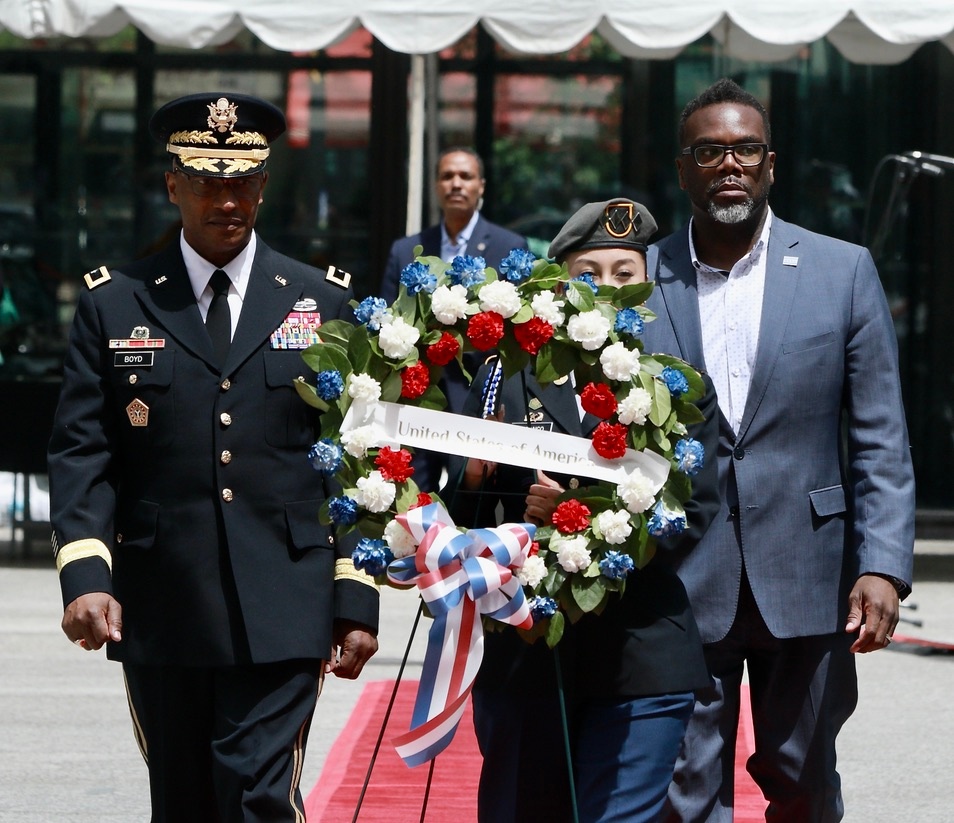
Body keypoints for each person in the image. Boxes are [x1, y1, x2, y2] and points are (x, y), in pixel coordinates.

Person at [48, 92, 380, 822]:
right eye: (207, 181)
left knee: (257, 796)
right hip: (163, 603)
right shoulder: (117, 303)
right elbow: (84, 450)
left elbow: (356, 456)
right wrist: (85, 573)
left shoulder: (322, 302)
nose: (226, 200)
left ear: (263, 185)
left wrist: (356, 590)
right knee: (184, 800)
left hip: (287, 601)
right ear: (173, 184)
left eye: (241, 184)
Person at [640, 78, 915, 821]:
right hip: (681, 578)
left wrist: (883, 564)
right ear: (683, 167)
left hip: (810, 571)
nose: (728, 163)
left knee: (803, 781)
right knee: (684, 790)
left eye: (745, 149)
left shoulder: (841, 269)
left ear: (770, 165)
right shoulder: (640, 279)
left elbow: (879, 433)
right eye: (709, 150)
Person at [444, 199, 720, 823]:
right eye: (589, 273)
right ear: (560, 281)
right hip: (529, 651)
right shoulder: (508, 368)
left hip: (641, 649)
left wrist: (579, 512)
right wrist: (489, 484)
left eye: (626, 271)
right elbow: (467, 501)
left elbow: (700, 503)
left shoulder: (676, 374)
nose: (609, 287)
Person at [383, 147, 529, 492]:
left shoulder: (509, 247)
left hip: (481, 389)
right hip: (420, 391)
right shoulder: (407, 250)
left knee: (473, 491)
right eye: (447, 176)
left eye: (465, 176)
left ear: (481, 186)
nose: (456, 184)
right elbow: (390, 322)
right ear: (436, 186)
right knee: (416, 491)